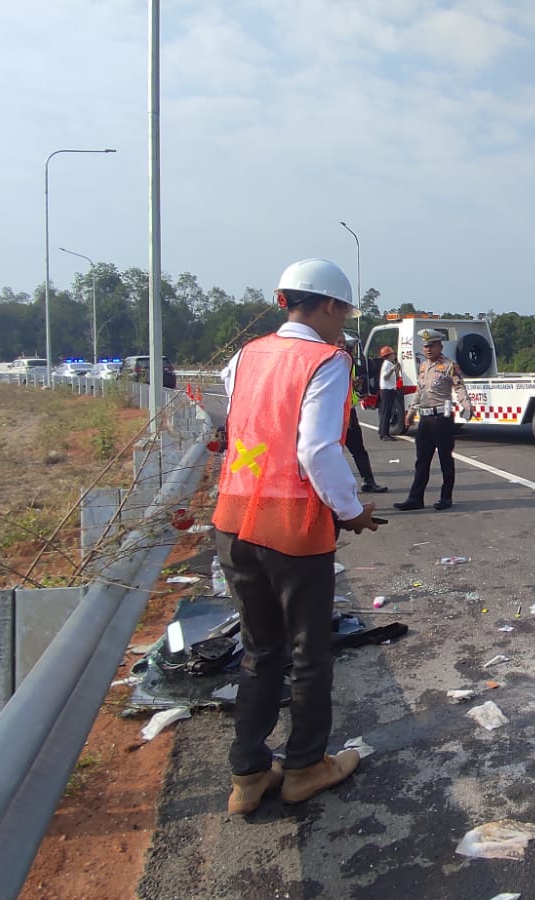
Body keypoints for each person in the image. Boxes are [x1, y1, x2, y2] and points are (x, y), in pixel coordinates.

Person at [211, 258, 379, 814]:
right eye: (344, 312)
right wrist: (351, 510)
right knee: (308, 652)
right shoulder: (328, 360)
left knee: (260, 649)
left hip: (234, 519)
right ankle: (305, 766)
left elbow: (238, 426)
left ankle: (249, 774)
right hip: (292, 525)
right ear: (329, 305)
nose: (343, 324)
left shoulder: (245, 355)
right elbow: (315, 449)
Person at [393, 329, 473, 511]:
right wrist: (411, 412)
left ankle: (446, 497)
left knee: (445, 459)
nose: (428, 349)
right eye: (425, 346)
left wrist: (466, 406)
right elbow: (420, 392)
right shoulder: (423, 366)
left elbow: (460, 388)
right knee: (422, 460)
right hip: (425, 419)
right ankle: (415, 498)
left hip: (441, 419)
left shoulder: (449, 366)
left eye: (432, 345)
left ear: (440, 346)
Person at [336, 335, 388, 494]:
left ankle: (368, 481)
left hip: (347, 411)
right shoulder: (332, 363)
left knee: (358, 450)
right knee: (334, 453)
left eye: (345, 344)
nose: (344, 348)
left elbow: (347, 388)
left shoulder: (346, 363)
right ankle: (339, 487)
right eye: (340, 343)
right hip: (337, 414)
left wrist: (356, 388)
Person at [376, 345, 402, 440]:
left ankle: (383, 432)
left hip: (389, 389)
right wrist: (392, 369)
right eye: (393, 354)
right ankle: (384, 434)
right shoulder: (387, 364)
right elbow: (385, 377)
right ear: (389, 355)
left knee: (386, 412)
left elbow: (395, 375)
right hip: (387, 390)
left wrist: (396, 368)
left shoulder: (389, 364)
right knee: (386, 412)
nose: (394, 355)